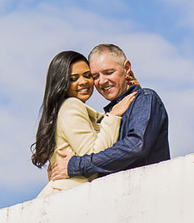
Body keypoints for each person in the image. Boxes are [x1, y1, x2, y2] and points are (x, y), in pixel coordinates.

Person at [47, 43, 170, 183]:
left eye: (108, 72)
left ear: (127, 68)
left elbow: (136, 146)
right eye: (95, 76)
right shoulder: (110, 115)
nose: (102, 81)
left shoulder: (145, 99)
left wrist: (74, 165)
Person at [32, 50, 137, 198]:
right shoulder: (71, 105)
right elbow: (93, 156)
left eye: (88, 76)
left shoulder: (70, 110)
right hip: (69, 194)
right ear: (62, 82)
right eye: (73, 78)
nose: (83, 82)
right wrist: (113, 116)